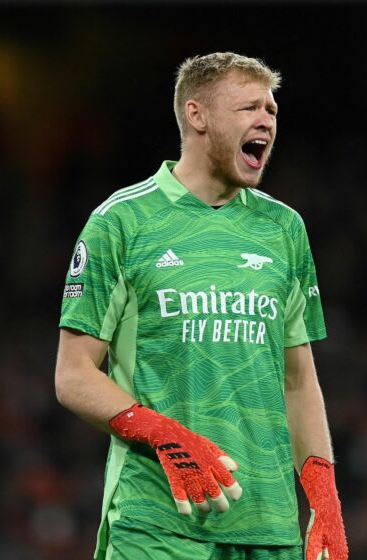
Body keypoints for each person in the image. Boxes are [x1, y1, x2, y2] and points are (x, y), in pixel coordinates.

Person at [55, 52, 348, 560]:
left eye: (272, 110)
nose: (266, 121)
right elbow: (73, 375)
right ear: (197, 116)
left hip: (268, 524)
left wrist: (324, 497)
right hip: (159, 523)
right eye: (248, 108)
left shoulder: (284, 230)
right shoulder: (121, 223)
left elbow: (297, 379)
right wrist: (164, 434)